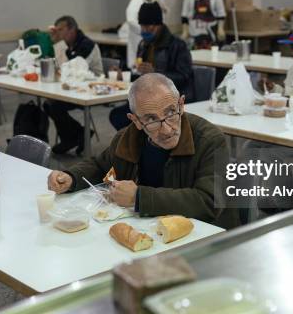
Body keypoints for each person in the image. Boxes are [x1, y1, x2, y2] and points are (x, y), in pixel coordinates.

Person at [47, 73, 240, 229]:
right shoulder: (127, 138)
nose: (166, 129)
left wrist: (139, 197)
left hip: (204, 236)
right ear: (136, 121)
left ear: (181, 105)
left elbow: (209, 201)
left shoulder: (210, 140)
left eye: (171, 113)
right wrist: (71, 177)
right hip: (150, 230)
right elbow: (101, 165)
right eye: (151, 119)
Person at [109, 2, 194, 130]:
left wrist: (156, 74)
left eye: (148, 26)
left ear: (159, 24)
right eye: (142, 26)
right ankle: (141, 146)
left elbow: (184, 76)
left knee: (135, 121)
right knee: (117, 116)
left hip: (169, 102)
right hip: (147, 100)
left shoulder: (177, 46)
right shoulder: (144, 45)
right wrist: (123, 74)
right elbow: (139, 74)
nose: (144, 31)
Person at [45, 16, 103, 155]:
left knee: (54, 105)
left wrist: (59, 44)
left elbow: (69, 69)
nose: (58, 33)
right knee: (48, 103)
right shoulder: (68, 44)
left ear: (72, 29)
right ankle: (78, 134)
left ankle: (72, 138)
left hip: (92, 89)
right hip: (75, 87)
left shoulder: (87, 45)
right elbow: (61, 68)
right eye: (56, 30)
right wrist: (57, 43)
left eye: (61, 30)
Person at [122, 0, 163, 69]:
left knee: (152, 67)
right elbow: (131, 21)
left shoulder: (155, 0)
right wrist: (145, 30)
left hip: (153, 41)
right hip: (138, 39)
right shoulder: (135, 1)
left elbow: (160, 20)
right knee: (137, 67)